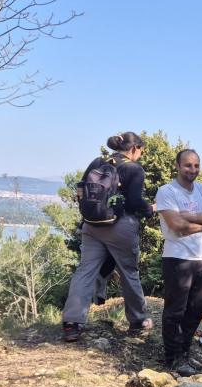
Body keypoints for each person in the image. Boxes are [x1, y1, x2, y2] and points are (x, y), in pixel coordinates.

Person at [62, 132, 155, 342]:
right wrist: (150, 209)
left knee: (85, 271)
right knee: (129, 272)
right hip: (120, 225)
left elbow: (80, 189)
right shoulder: (134, 168)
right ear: (135, 148)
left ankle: (72, 324)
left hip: (92, 225)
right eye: (141, 151)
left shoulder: (97, 161)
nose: (140, 155)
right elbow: (134, 201)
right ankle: (137, 321)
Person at [155, 149, 202, 376]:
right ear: (177, 166)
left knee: (197, 309)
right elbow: (176, 225)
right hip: (177, 258)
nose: (192, 170)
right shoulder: (167, 191)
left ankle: (184, 351)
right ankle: (172, 357)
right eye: (187, 165)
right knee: (175, 311)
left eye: (196, 165)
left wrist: (189, 216)